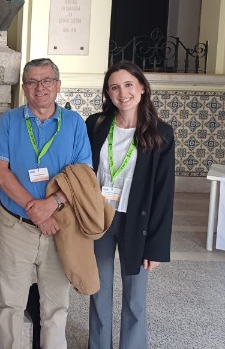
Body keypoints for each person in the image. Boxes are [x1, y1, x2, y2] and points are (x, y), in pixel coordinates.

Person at [0, 58, 92, 349]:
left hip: (60, 226)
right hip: (15, 225)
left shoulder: (74, 123)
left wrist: (52, 204)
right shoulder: (9, 121)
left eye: (47, 80)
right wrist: (37, 210)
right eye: (33, 82)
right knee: (10, 304)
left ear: (58, 86)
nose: (40, 87)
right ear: (24, 88)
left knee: (56, 307)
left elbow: (84, 175)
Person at [85, 61, 175, 349]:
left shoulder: (161, 133)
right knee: (98, 289)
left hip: (137, 221)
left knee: (135, 296)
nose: (122, 93)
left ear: (142, 88)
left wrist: (156, 247)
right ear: (107, 93)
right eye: (114, 87)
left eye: (128, 85)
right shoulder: (95, 125)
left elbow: (163, 193)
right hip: (100, 218)